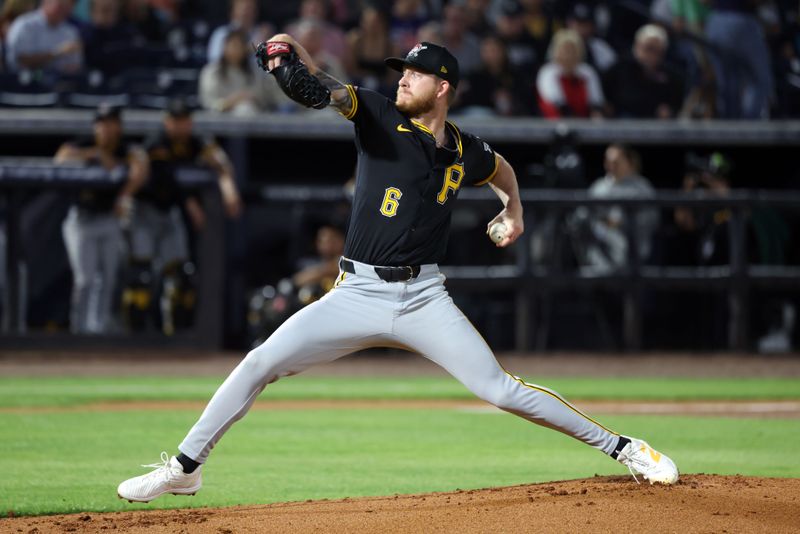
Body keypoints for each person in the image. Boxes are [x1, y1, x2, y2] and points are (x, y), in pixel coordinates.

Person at [117, 37, 678, 504]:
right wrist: (288, 59)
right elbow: (320, 88)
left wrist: (514, 206)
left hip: (424, 297)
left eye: (416, 73)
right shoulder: (380, 116)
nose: (404, 79)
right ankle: (186, 467)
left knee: (501, 390)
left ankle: (625, 447)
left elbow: (500, 167)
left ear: (443, 87)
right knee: (260, 361)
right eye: (402, 71)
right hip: (356, 291)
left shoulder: (462, 148)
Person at [123, 99, 242, 335]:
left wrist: (229, 190)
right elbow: (164, 177)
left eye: (184, 120)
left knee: (180, 275)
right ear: (167, 122)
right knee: (142, 277)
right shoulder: (156, 142)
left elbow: (221, 162)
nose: (180, 125)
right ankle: (134, 338)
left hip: (170, 213)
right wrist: (190, 202)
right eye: (175, 120)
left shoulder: (196, 142)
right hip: (146, 210)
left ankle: (172, 336)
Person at [54, 104, 147, 334]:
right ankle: (78, 330)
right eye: (102, 123)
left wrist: (124, 195)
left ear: (118, 126)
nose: (105, 128)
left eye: (111, 123)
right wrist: (95, 154)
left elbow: (141, 166)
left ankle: (97, 329)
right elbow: (60, 158)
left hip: (108, 218)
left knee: (107, 278)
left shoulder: (125, 149)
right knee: (85, 279)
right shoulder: (86, 144)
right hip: (82, 219)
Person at [570, 143, 659, 275]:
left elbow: (650, 221)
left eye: (616, 162)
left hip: (630, 251)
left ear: (629, 162)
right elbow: (586, 216)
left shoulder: (642, 188)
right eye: (608, 161)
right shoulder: (599, 187)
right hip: (599, 247)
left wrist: (621, 221)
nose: (610, 166)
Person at [602, 24, 684, 119]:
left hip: (656, 124)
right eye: (648, 48)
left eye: (657, 51)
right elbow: (606, 94)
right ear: (637, 45)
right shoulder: (620, 68)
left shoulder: (670, 75)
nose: (652, 55)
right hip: (623, 119)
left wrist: (670, 111)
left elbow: (676, 103)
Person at [199, 29, 282, 115]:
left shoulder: (255, 71)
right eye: (234, 45)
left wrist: (249, 97)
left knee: (245, 108)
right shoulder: (211, 72)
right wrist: (231, 101)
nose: (237, 50)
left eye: (240, 46)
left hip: (253, 117)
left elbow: (266, 98)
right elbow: (209, 102)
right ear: (224, 47)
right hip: (219, 118)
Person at [536, 28, 605, 119]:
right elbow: (557, 104)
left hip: (584, 122)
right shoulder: (548, 72)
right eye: (565, 50)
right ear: (556, 52)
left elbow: (596, 103)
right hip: (554, 122)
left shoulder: (587, 72)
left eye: (573, 50)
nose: (569, 55)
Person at [4, 0, 83, 74]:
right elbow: (21, 60)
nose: (64, 11)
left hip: (62, 84)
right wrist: (56, 53)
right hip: (23, 84)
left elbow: (75, 65)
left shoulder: (70, 31)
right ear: (46, 2)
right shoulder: (25, 25)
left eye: (68, 7)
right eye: (60, 6)